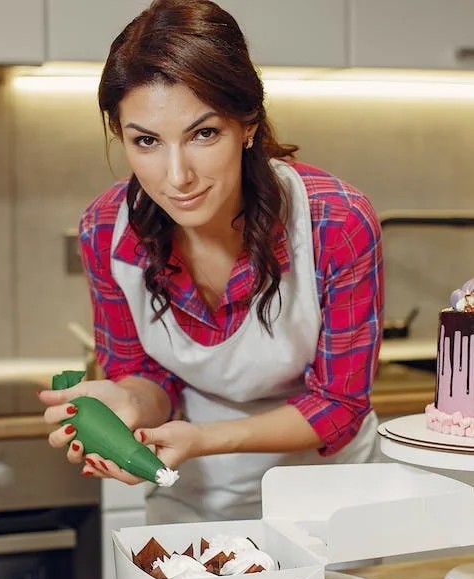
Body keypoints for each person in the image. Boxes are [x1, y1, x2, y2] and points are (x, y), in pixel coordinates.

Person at [39, 0, 384, 524]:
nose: (177, 176)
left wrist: (202, 439)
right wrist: (128, 404)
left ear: (247, 123)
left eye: (204, 134)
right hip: (190, 498)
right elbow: (147, 377)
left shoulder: (335, 223)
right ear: (120, 136)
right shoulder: (105, 231)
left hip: (330, 499)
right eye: (147, 141)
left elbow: (340, 404)